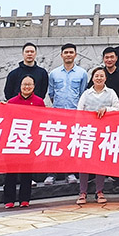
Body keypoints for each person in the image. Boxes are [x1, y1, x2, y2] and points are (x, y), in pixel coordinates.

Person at [76, 66, 119, 205]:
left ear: (105, 78)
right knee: (84, 163)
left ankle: (99, 191)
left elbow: (117, 108)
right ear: (93, 78)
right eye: (96, 76)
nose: (99, 78)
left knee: (100, 162)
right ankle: (82, 192)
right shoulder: (86, 94)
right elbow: (79, 111)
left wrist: (106, 109)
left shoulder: (111, 92)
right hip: (88, 132)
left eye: (102, 76)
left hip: (104, 133)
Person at [47, 43, 88, 185]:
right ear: (61, 55)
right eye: (66, 52)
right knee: (55, 142)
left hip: (74, 114)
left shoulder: (82, 73)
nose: (68, 55)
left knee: (71, 143)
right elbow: (51, 93)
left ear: (75, 55)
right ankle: (51, 174)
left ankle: (70, 172)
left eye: (71, 52)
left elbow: (82, 94)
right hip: (57, 114)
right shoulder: (54, 73)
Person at [3, 74, 45, 208]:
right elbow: (6, 120)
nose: (27, 87)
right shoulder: (12, 102)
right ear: (20, 86)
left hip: (30, 141)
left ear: (34, 86)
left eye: (29, 84)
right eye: (24, 84)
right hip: (14, 140)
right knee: (11, 171)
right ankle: (9, 199)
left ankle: (25, 199)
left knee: (27, 172)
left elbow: (43, 120)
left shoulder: (39, 102)